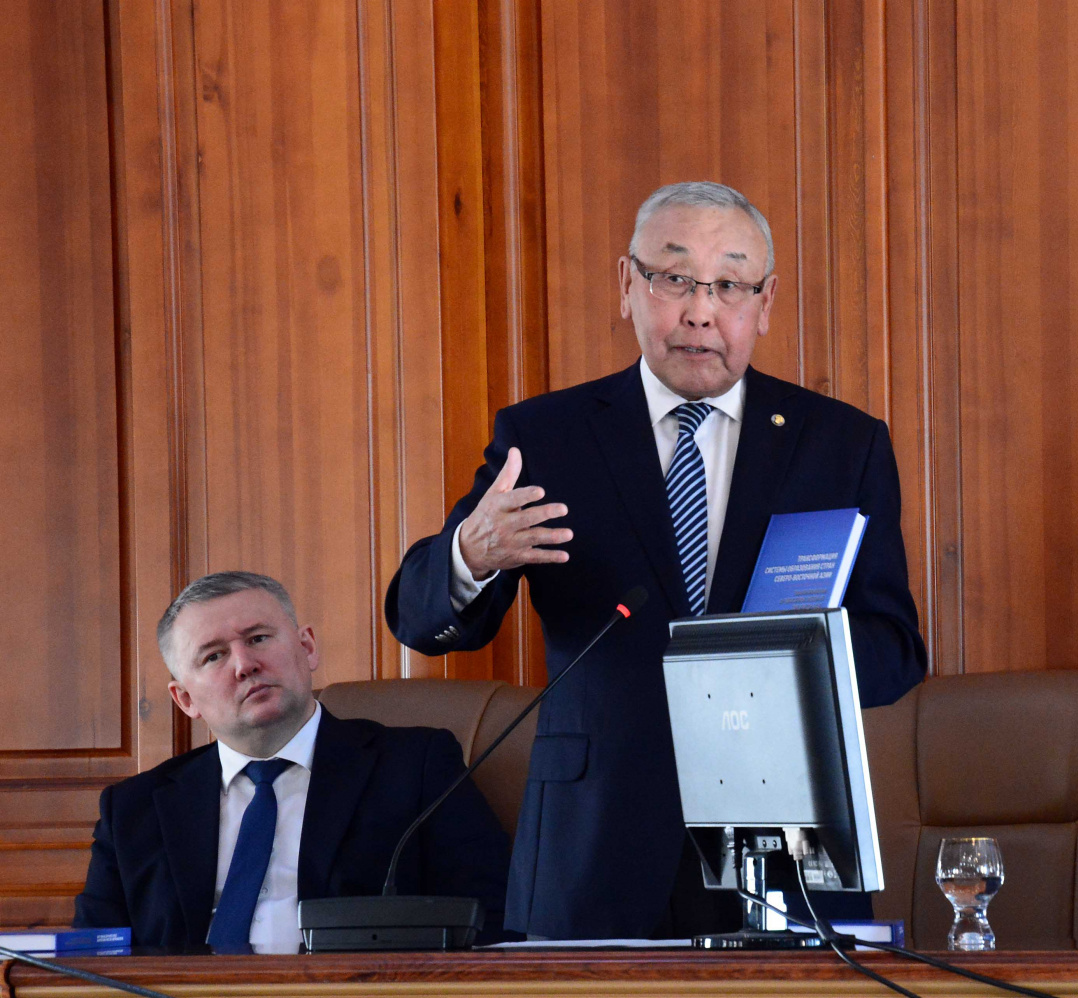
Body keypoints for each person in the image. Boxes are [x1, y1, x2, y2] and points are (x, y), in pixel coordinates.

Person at [386, 181, 926, 939]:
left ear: (766, 303)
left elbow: (895, 652)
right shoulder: (549, 437)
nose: (701, 311)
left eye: (729, 285)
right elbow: (418, 619)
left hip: (779, 831)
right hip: (596, 837)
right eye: (674, 279)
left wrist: (786, 660)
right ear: (627, 285)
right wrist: (468, 556)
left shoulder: (840, 444)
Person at [75, 572, 510, 952]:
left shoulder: (416, 767)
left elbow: (489, 921)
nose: (245, 664)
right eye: (213, 656)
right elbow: (89, 964)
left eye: (258, 639)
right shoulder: (133, 809)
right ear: (185, 699)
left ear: (307, 647)